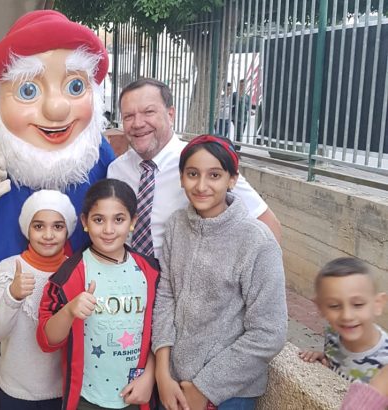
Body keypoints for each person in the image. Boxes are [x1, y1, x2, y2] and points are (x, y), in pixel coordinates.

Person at [0, 10, 115, 409]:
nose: (56, 109)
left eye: (74, 86)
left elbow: (116, 211)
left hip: (76, 292)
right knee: (5, 381)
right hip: (12, 289)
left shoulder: (96, 151)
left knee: (73, 379)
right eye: (29, 91)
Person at [152, 135, 287, 410]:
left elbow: (269, 333)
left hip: (229, 394)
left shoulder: (257, 241)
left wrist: (205, 389)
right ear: (181, 178)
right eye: (193, 174)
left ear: (232, 179)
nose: (202, 186)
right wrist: (162, 373)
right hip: (174, 385)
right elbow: (166, 297)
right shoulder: (177, 225)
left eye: (214, 175)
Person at [107, 78, 281, 260]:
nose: (137, 123)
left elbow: (267, 224)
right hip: (127, 273)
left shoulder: (203, 163)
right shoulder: (116, 170)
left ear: (171, 114)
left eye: (148, 112)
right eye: (128, 116)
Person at [37, 178, 158, 410]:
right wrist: (69, 311)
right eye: (99, 220)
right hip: (86, 399)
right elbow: (47, 340)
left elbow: (160, 332)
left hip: (137, 396)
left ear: (133, 221)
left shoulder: (150, 272)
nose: (108, 230)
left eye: (119, 219)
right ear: (85, 222)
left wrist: (150, 376)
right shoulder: (68, 276)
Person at [0, 189, 77, 409]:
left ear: (67, 230)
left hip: (62, 390)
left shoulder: (76, 270)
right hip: (15, 391)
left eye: (57, 226)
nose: (48, 235)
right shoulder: (9, 268)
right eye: (39, 226)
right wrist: (12, 295)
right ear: (27, 228)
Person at [298, 257, 387, 383]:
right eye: (334, 306)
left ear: (377, 304)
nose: (347, 316)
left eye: (358, 304)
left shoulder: (385, 360)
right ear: (320, 307)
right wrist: (324, 359)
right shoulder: (333, 333)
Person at [231, 79, 253, 146]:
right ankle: (237, 148)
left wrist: (250, 111)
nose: (242, 87)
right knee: (239, 133)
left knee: (241, 134)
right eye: (241, 85)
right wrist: (239, 97)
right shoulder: (234, 94)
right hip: (236, 117)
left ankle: (238, 147)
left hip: (244, 118)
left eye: (243, 85)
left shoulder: (247, 97)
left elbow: (248, 107)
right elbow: (232, 104)